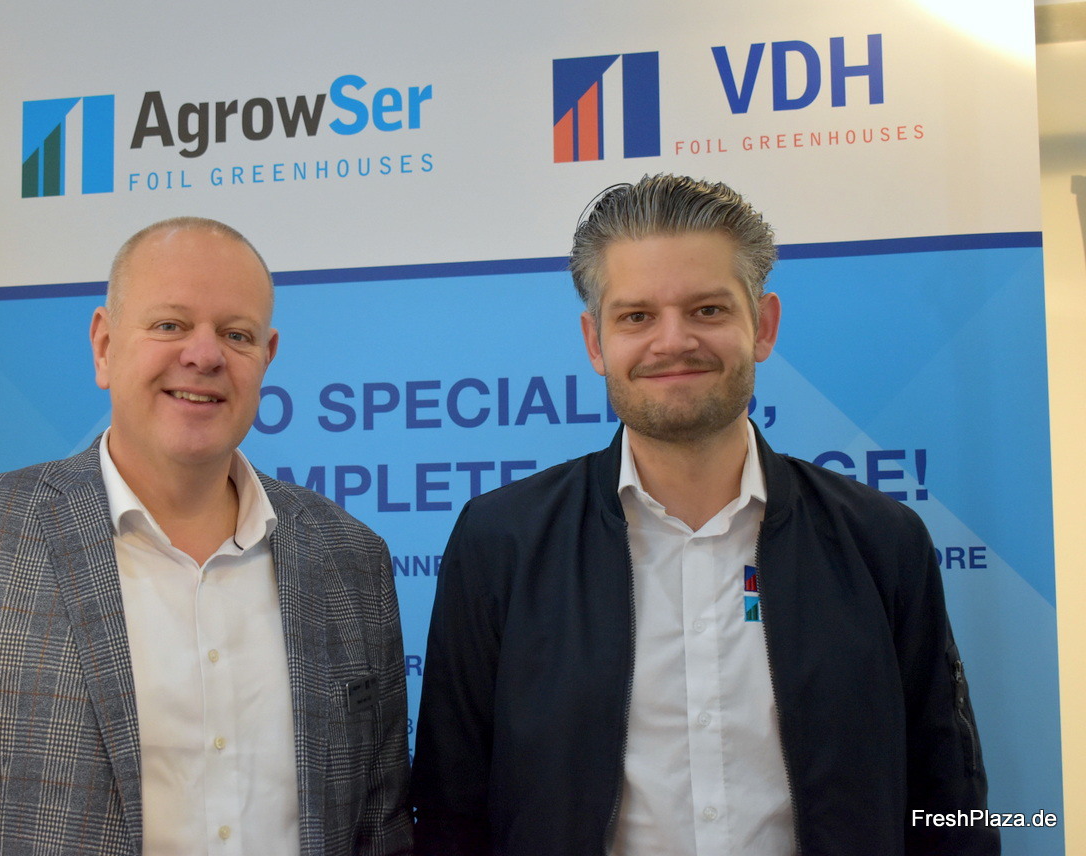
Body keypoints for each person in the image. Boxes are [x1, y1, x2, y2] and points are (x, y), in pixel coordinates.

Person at [410, 175, 996, 855]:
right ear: (595, 342)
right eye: (636, 316)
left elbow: (948, 805)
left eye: (708, 310)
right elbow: (450, 813)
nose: (673, 341)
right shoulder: (500, 541)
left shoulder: (881, 541)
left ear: (763, 325)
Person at [0, 217, 412, 855]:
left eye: (235, 334)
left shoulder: (350, 560)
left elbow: (379, 837)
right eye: (170, 325)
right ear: (104, 346)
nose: (204, 355)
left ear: (266, 357)